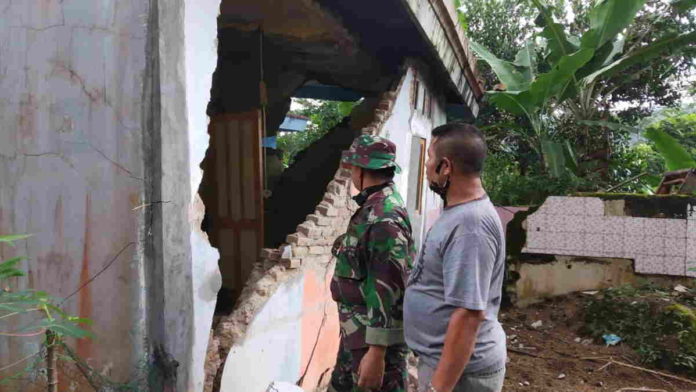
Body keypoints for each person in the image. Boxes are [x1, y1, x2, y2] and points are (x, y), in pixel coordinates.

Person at [404, 123, 506, 392]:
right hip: (444, 364)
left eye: (429, 159)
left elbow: (469, 314)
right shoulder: (458, 213)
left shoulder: (471, 226)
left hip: (461, 376)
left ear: (445, 166)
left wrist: (438, 388)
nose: (426, 166)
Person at [329, 134, 416, 392]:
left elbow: (388, 289)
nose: (352, 173)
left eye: (353, 167)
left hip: (374, 346)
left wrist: (376, 354)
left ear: (362, 169)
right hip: (356, 336)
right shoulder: (371, 208)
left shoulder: (385, 218)